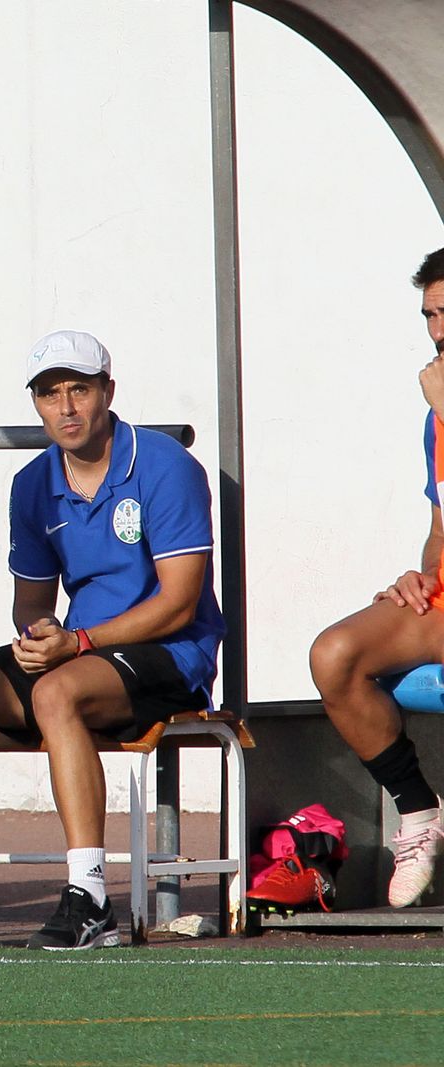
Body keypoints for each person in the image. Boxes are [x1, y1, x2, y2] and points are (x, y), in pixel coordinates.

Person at [0, 330, 225, 952]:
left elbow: (178, 602)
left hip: (173, 652)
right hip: (80, 651)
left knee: (56, 693)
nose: (65, 407)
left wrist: (76, 642)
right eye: (48, 393)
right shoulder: (32, 482)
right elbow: (32, 600)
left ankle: (90, 898)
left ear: (108, 392)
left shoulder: (166, 464)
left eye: (78, 390)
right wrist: (38, 634)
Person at [310, 247, 444, 908]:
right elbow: (441, 522)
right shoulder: (435, 414)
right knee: (335, 654)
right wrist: (422, 577)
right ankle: (418, 810)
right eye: (430, 315)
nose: (439, 331)